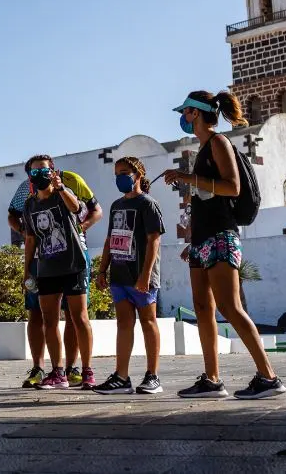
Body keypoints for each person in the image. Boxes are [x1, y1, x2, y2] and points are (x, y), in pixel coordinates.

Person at [163, 91, 286, 400]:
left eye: (187, 112)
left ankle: (268, 377)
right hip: (201, 239)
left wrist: (186, 177)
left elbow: (232, 187)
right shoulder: (204, 148)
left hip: (221, 235)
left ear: (197, 113)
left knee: (230, 307)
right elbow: (205, 201)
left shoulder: (218, 143)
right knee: (203, 309)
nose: (183, 117)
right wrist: (191, 234)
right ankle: (212, 379)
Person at [8, 168, 102, 388]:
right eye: (35, 171)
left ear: (52, 173)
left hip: (73, 265)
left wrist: (60, 188)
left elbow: (78, 208)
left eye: (45, 170)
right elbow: (30, 238)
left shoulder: (64, 192)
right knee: (49, 320)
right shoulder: (30, 204)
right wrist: (27, 270)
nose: (40, 174)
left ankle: (87, 370)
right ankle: (57, 372)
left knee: (79, 317)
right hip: (46, 268)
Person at [93, 156, 165, 395]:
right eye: (116, 173)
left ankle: (152, 376)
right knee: (124, 323)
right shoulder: (116, 205)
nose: (120, 177)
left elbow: (154, 239)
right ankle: (121, 376)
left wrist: (145, 275)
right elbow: (110, 239)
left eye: (124, 172)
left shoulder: (148, 204)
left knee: (148, 321)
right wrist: (103, 270)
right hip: (119, 275)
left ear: (138, 175)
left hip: (142, 276)